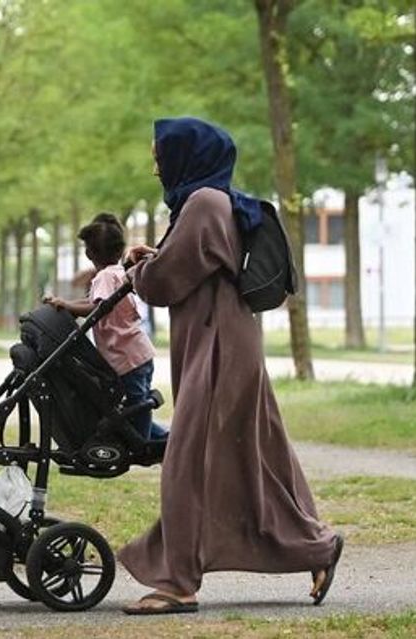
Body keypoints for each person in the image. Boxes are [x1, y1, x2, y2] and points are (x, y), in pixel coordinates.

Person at [118, 117, 343, 615]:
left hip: (216, 343)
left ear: (187, 154)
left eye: (160, 155)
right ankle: (316, 546)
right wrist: (152, 259)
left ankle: (178, 582)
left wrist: (138, 271)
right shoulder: (214, 201)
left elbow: (165, 281)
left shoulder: (202, 203)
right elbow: (192, 263)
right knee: (257, 453)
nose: (156, 167)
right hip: (227, 337)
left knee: (188, 462)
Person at [44, 213, 167, 440]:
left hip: (127, 358)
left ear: (88, 253)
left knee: (137, 406)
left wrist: (66, 305)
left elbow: (96, 308)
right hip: (137, 354)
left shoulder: (104, 277)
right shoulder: (119, 273)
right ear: (120, 250)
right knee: (137, 404)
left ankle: (144, 444)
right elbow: (93, 303)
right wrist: (66, 304)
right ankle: (163, 439)